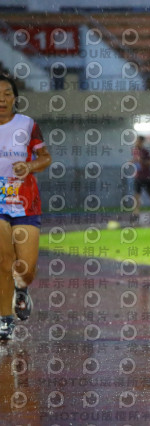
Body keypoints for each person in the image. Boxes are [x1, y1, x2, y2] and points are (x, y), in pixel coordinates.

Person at [0, 74, 52, 340]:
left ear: (15, 98)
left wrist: (29, 166)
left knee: (25, 269)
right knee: (4, 261)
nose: (1, 99)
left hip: (25, 202)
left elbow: (46, 158)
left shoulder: (28, 125)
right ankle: (4, 319)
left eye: (7, 93)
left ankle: (22, 289)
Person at [131, 135, 150, 223]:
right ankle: (136, 214)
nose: (136, 142)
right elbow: (136, 162)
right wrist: (133, 161)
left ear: (141, 142)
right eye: (136, 141)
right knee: (136, 196)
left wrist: (143, 162)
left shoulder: (145, 152)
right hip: (138, 177)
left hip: (147, 177)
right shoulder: (135, 151)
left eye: (138, 141)